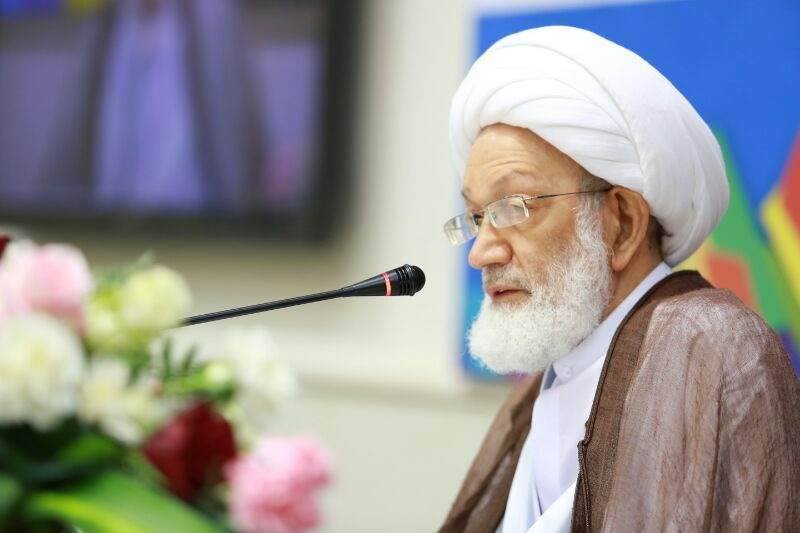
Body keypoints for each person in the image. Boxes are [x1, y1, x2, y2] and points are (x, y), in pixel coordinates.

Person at [439, 26, 800, 532]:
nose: (480, 253)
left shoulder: (708, 346)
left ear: (623, 223)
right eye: (478, 217)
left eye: (514, 208)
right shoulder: (543, 383)